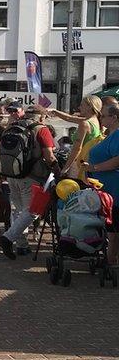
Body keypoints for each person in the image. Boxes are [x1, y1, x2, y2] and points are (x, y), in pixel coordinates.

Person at [0, 105, 59, 259]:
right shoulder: (41, 129)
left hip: (11, 175)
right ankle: (7, 238)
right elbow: (49, 155)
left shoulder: (11, 127)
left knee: (19, 211)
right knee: (33, 211)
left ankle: (22, 246)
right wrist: (57, 169)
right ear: (41, 117)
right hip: (32, 177)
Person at [82, 104, 119, 265]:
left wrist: (93, 167)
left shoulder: (117, 135)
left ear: (114, 117)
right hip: (104, 186)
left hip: (113, 187)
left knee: (114, 226)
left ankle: (111, 260)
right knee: (110, 226)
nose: (100, 119)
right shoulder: (110, 134)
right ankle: (110, 258)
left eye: (103, 116)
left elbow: (117, 160)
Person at [50, 95, 103, 179]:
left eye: (82, 105)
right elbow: (69, 118)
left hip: (79, 163)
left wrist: (65, 168)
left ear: (90, 107)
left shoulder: (85, 123)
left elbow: (77, 148)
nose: (79, 107)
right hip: (89, 161)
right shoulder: (96, 120)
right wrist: (55, 111)